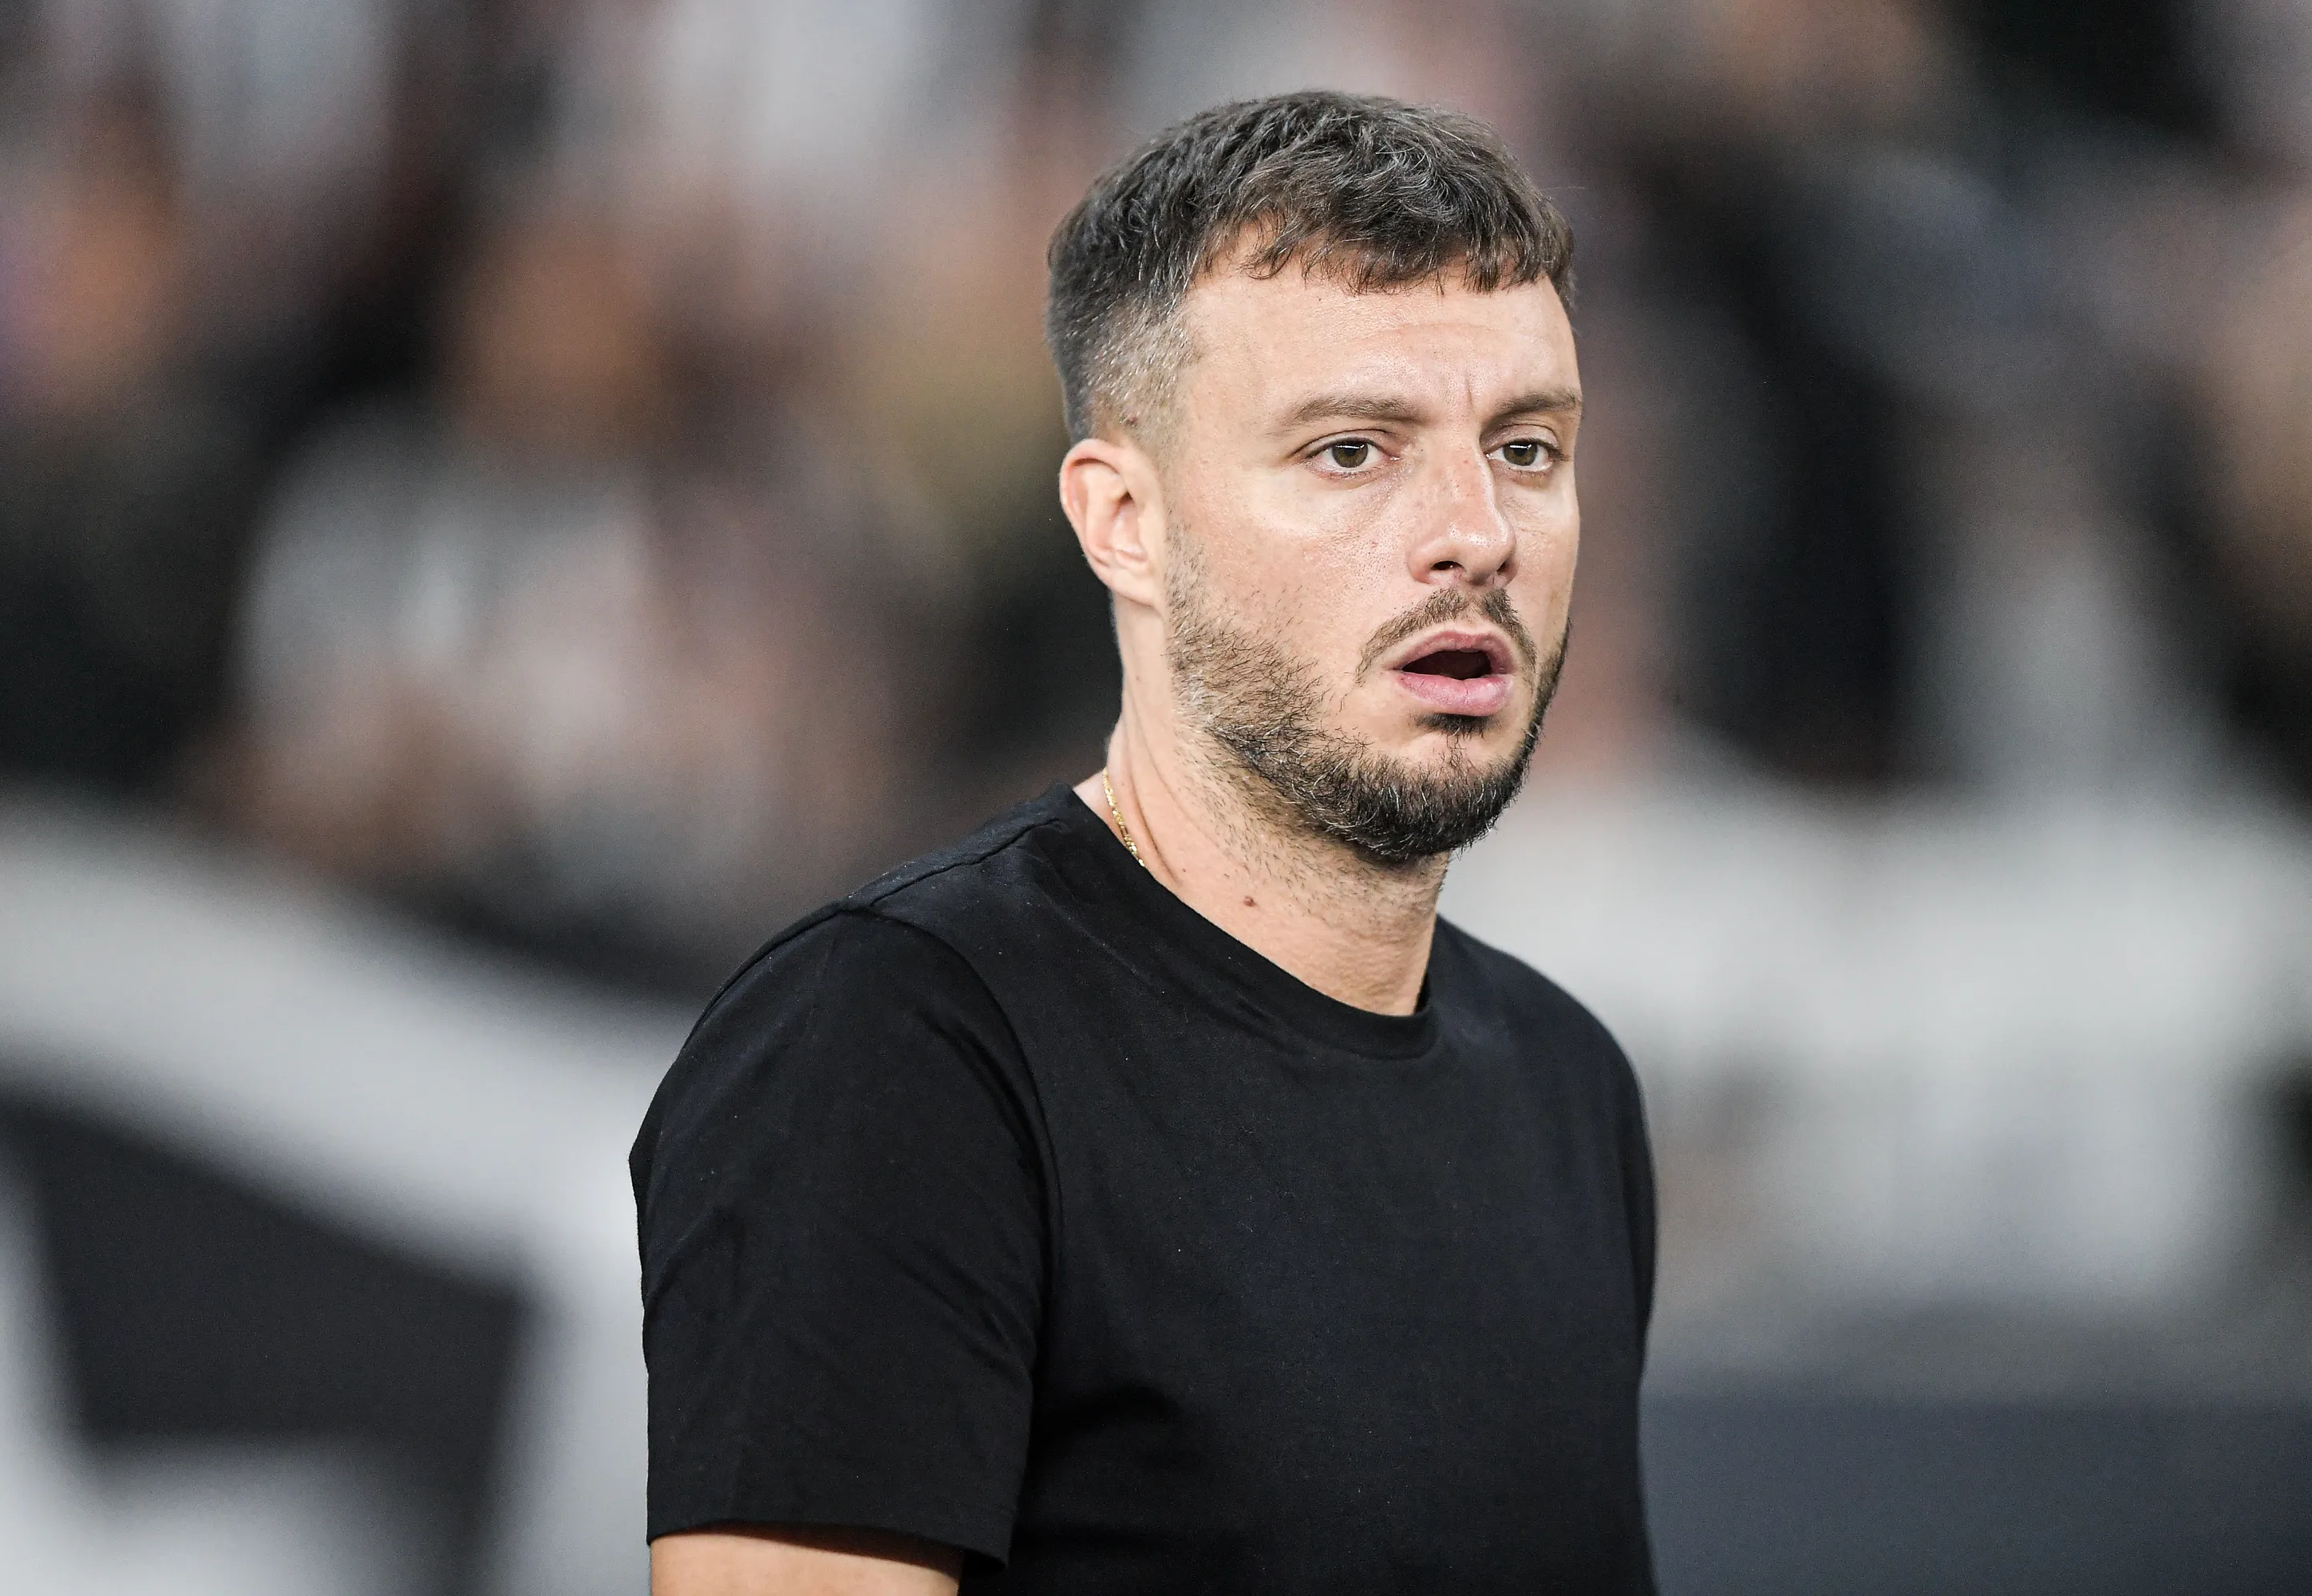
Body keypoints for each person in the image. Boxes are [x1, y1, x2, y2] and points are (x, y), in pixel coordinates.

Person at [632, 90, 1657, 1594]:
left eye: (1526, 446)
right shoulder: (896, 1047)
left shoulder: (1568, 1089)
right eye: (1353, 451)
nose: (1476, 530)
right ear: (1126, 523)